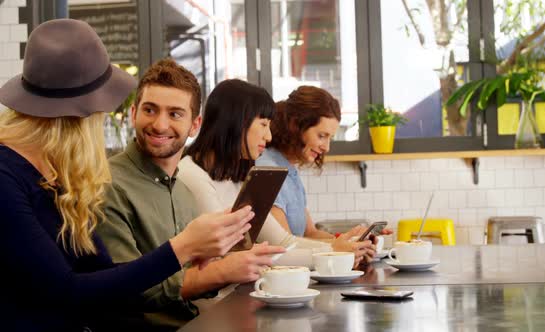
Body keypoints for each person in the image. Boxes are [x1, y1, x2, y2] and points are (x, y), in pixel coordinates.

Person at [0, 19, 252, 332]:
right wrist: (183, 247)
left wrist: (195, 255)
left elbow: (107, 277)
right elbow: (66, 291)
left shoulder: (55, 175)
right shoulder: (6, 177)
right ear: (78, 117)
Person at [96, 61, 285, 328]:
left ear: (195, 125)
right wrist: (222, 271)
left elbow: (191, 277)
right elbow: (125, 289)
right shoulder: (107, 184)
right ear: (133, 113)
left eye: (175, 114)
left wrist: (239, 264)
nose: (160, 125)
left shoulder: (182, 191)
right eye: (150, 110)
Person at [178, 79, 374, 268]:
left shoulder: (235, 177)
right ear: (237, 122)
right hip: (217, 300)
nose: (268, 136)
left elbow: (282, 241)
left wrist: (336, 248)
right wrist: (332, 251)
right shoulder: (193, 176)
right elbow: (233, 254)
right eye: (263, 124)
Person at [256, 86, 371, 242]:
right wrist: (340, 248)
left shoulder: (290, 171)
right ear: (295, 125)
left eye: (330, 138)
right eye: (321, 136)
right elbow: (283, 245)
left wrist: (348, 241)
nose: (326, 147)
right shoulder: (268, 170)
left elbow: (310, 233)